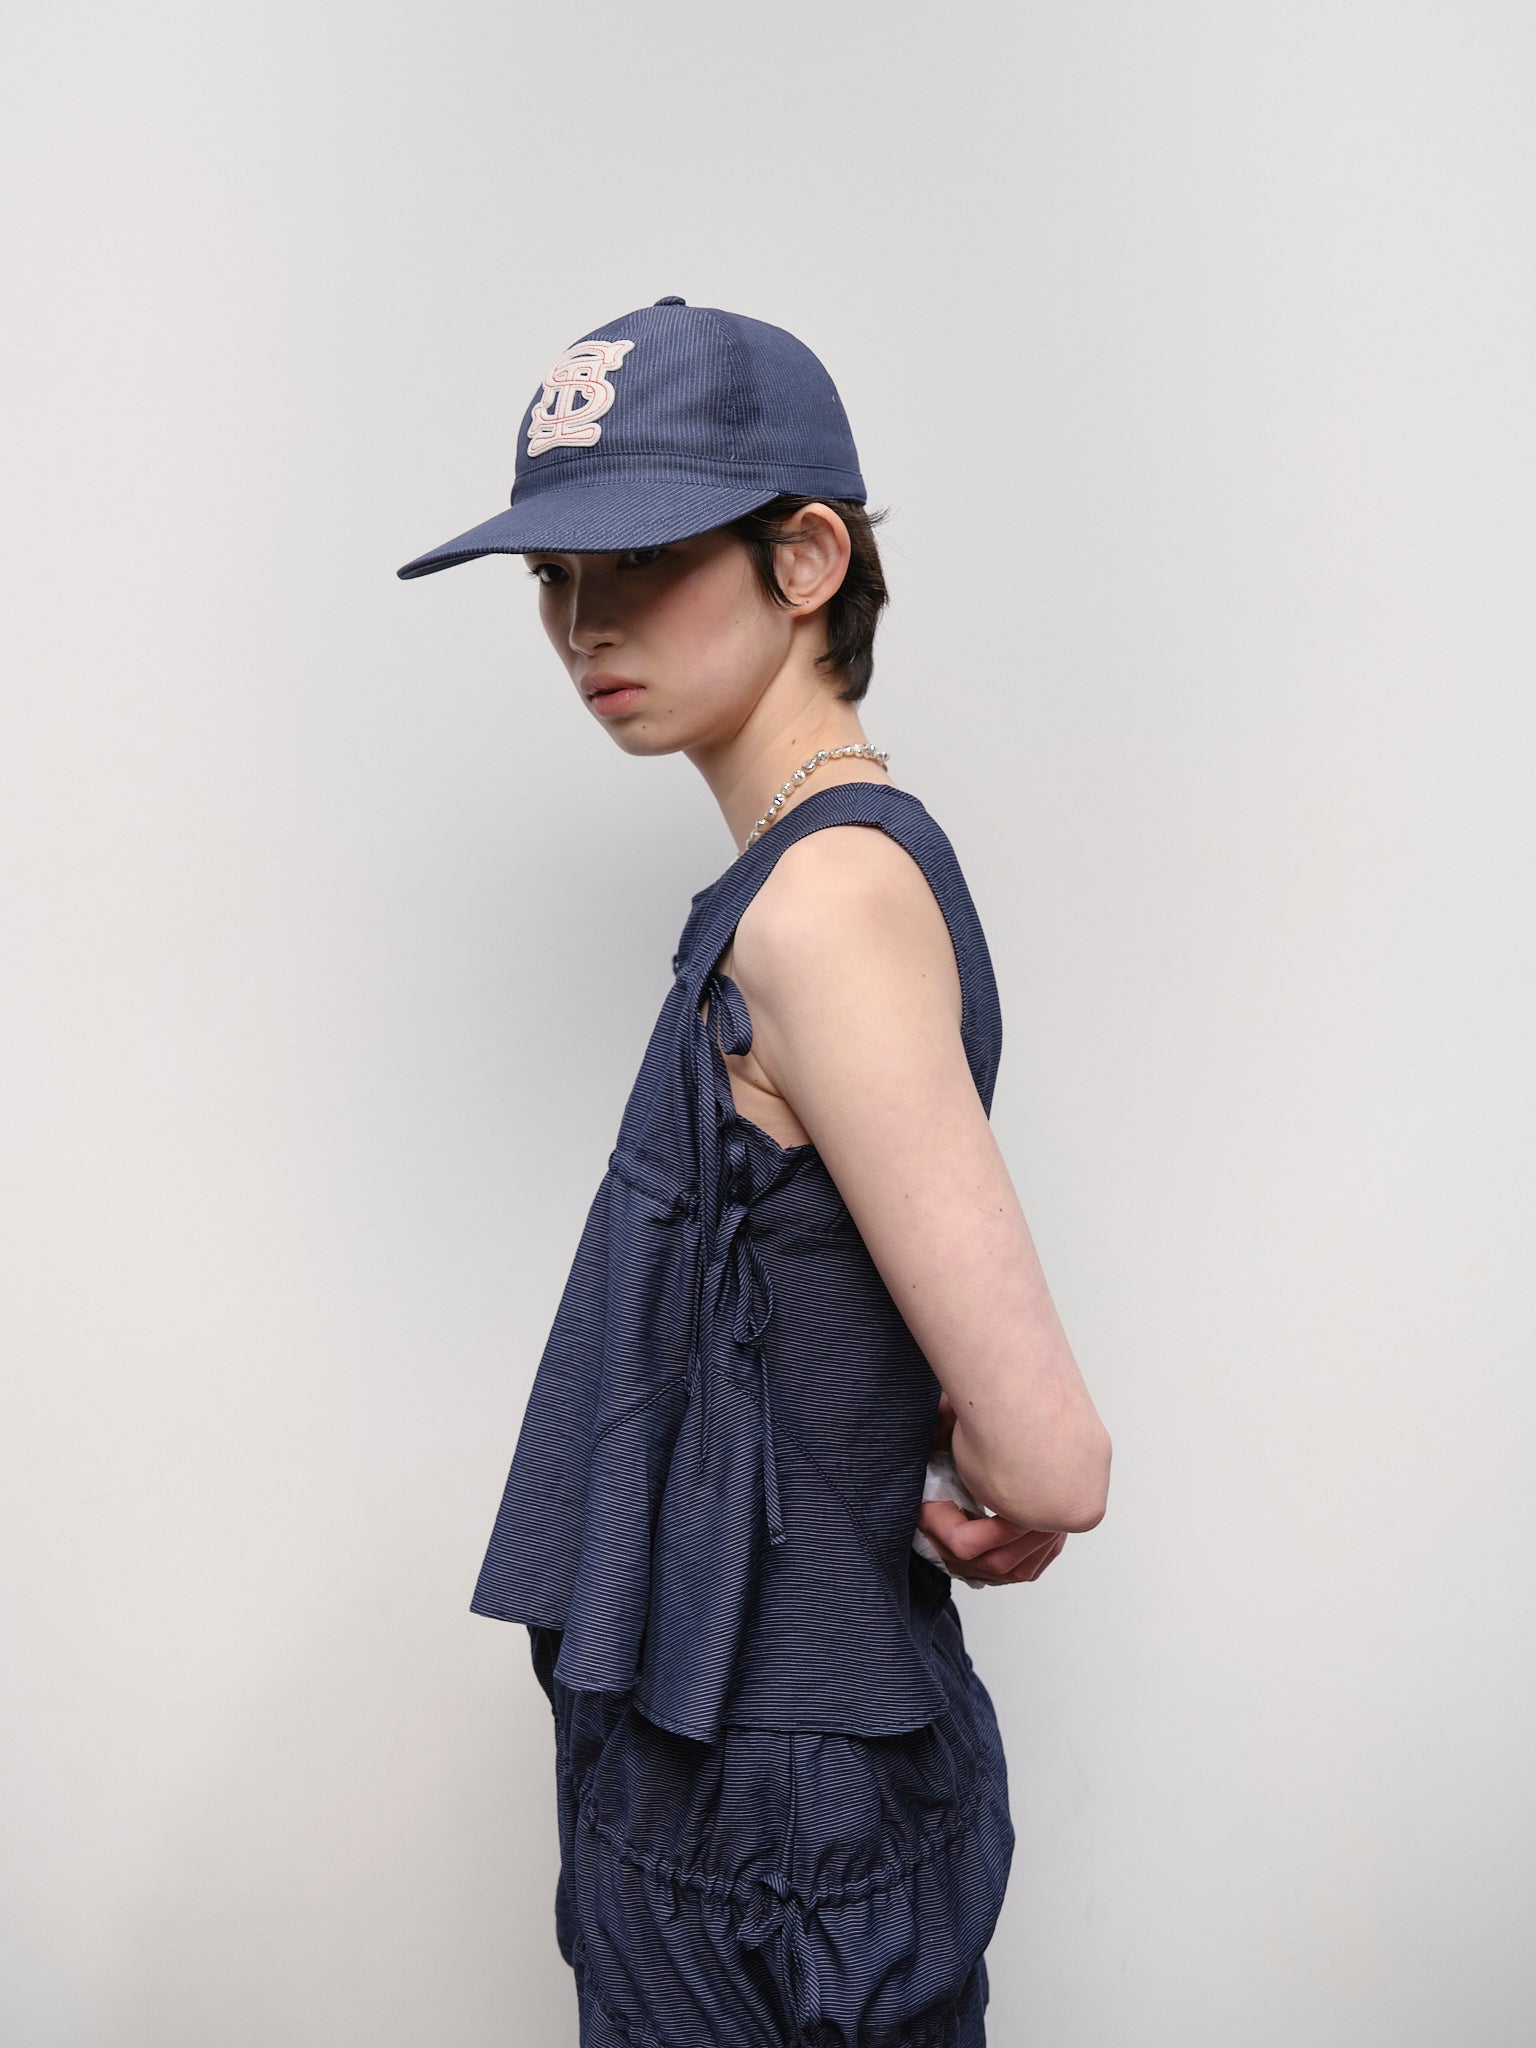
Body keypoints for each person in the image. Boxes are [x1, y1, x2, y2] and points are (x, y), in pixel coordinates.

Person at [397, 296, 1112, 2047]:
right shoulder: (812, 882)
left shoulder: (827, 904)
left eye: (637, 560)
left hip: (773, 1802)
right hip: (749, 1765)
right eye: (553, 577)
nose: (584, 622)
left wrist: (973, 1467)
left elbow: (1053, 1456)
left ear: (806, 560)